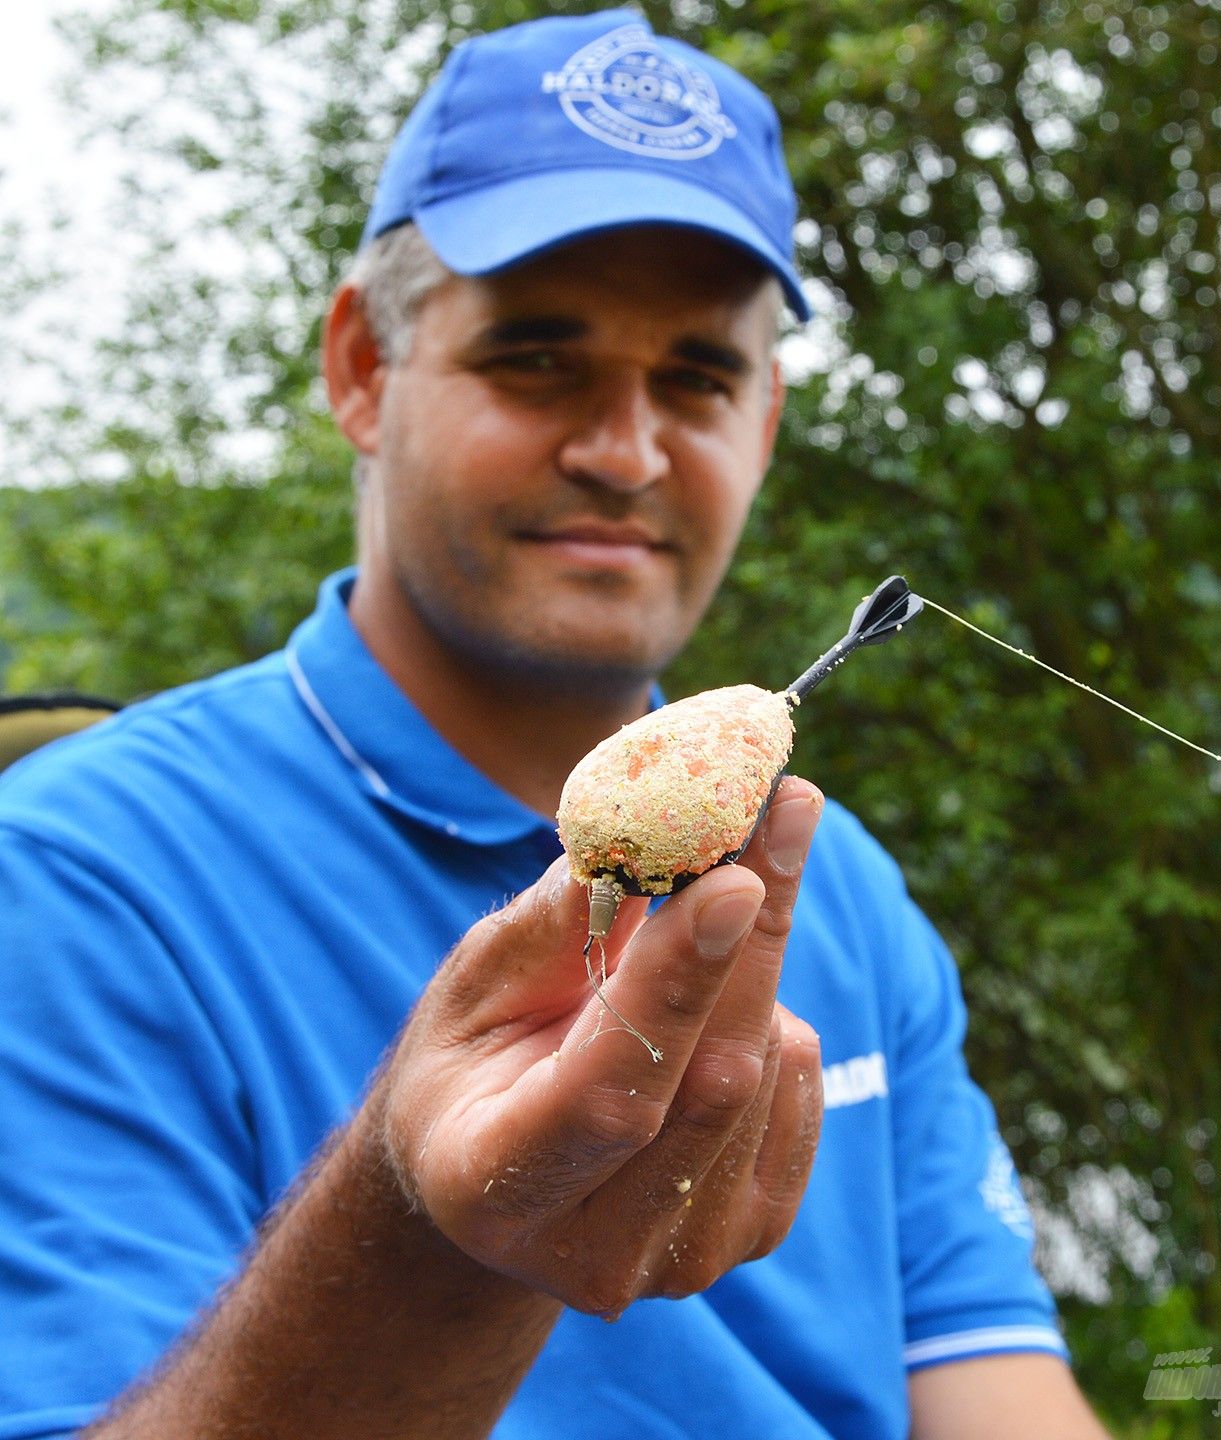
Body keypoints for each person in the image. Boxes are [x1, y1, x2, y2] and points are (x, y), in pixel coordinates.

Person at [0, 11, 1111, 1438]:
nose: (623, 451)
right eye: (536, 358)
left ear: (763, 424)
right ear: (360, 367)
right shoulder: (66, 881)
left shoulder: (845, 893)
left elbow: (990, 1379)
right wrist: (431, 1237)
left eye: (699, 378)